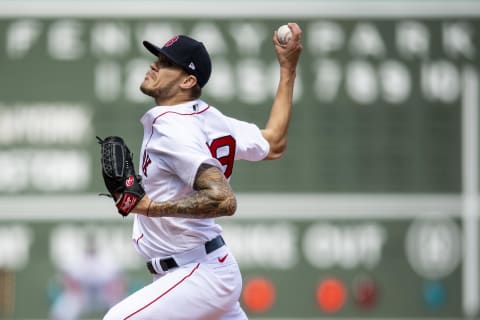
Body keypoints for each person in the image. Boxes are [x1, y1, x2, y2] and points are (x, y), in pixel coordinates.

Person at [103, 22, 302, 320]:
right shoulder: (211, 118)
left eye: (166, 63)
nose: (154, 65)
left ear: (187, 81)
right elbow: (274, 141)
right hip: (205, 271)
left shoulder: (172, 127)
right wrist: (288, 69)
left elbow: (223, 199)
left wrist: (148, 207)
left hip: (197, 275)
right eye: (158, 59)